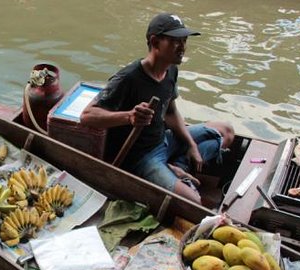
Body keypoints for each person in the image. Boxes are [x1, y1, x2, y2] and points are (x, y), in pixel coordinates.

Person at [80, 13, 235, 204]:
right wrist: (129, 116)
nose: (183, 47)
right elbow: (87, 116)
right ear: (154, 42)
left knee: (226, 132)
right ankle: (174, 169)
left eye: (184, 41)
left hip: (164, 140)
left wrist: (191, 144)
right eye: (175, 41)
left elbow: (170, 111)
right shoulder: (128, 78)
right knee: (193, 201)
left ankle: (177, 166)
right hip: (142, 157)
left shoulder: (170, 69)